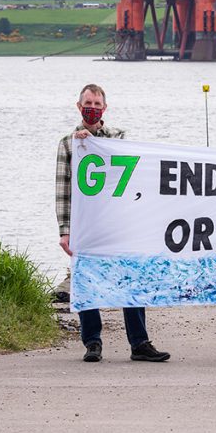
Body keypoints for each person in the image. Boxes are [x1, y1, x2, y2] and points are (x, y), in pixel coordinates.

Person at [56, 84, 170, 363]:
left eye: (97, 104)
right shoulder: (68, 143)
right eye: (88, 104)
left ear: (105, 108)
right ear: (78, 106)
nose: (92, 108)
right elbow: (63, 188)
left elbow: (134, 172)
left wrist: (93, 143)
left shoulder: (119, 137)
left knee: (131, 278)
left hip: (119, 222)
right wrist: (64, 231)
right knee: (87, 280)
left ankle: (139, 343)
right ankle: (92, 342)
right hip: (85, 224)